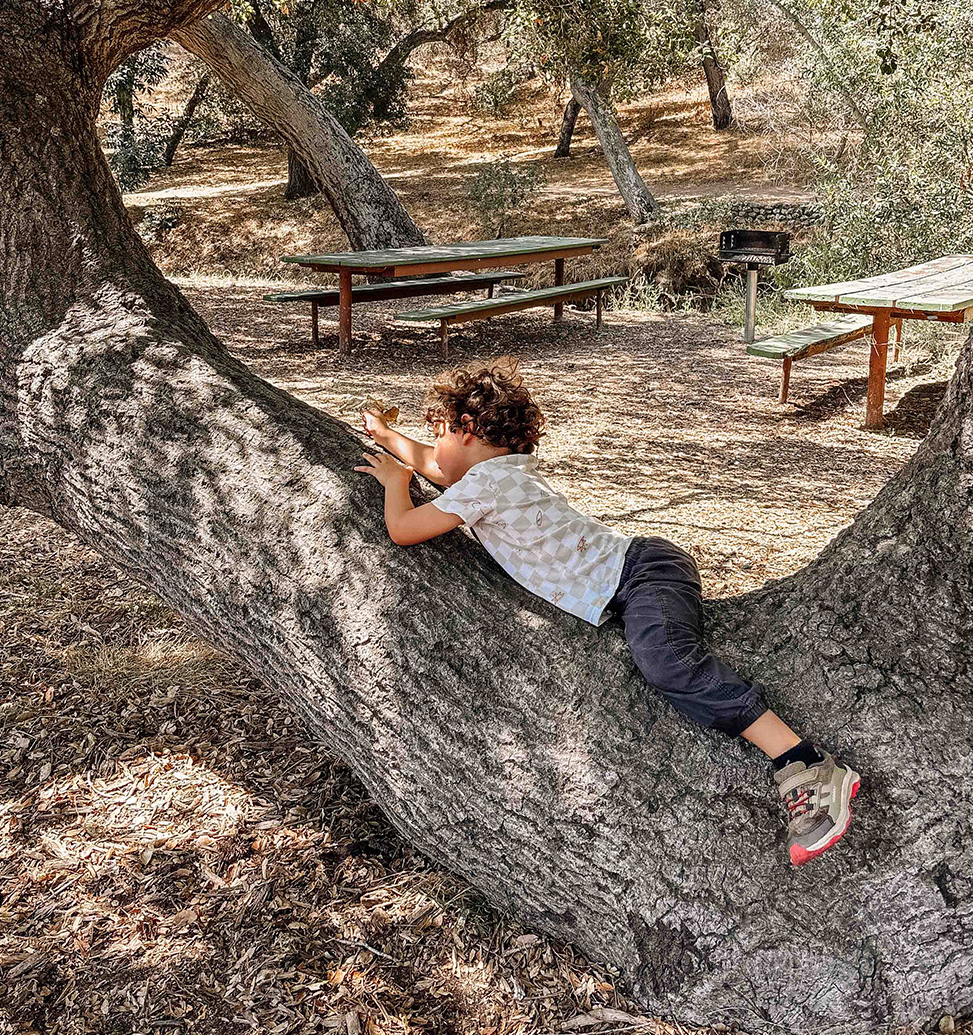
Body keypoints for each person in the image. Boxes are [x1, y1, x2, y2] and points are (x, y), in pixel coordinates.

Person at [356, 360, 859, 866]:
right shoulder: (499, 474)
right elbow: (437, 464)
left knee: (670, 664)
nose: (432, 448)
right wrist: (385, 432)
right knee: (664, 659)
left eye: (436, 433)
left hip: (643, 574)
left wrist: (395, 482)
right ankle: (799, 760)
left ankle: (803, 762)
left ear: (466, 431)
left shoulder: (486, 486)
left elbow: (404, 526)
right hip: (636, 574)